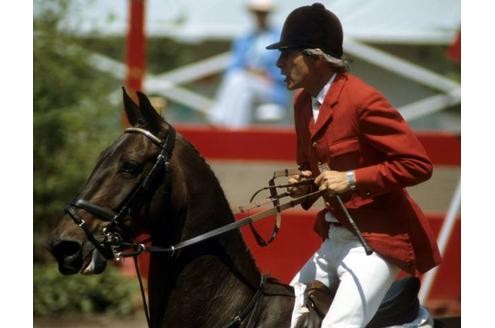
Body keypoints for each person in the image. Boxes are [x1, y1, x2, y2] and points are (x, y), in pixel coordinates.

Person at [265, 3, 442, 327]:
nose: (279, 63)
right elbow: (313, 170)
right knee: (281, 317)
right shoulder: (302, 102)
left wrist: (350, 178)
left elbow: (418, 164)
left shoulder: (363, 100)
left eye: (287, 54)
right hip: (334, 239)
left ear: (315, 57)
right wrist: (304, 184)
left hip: (377, 243)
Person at [207, 0, 290, 128]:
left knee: (239, 81)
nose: (260, 16)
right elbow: (233, 67)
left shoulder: (279, 37)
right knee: (239, 81)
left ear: (268, 15)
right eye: (257, 13)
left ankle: (221, 118)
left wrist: (263, 73)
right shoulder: (245, 38)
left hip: (271, 87)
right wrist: (250, 72)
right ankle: (235, 128)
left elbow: (283, 69)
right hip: (246, 81)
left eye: (263, 13)